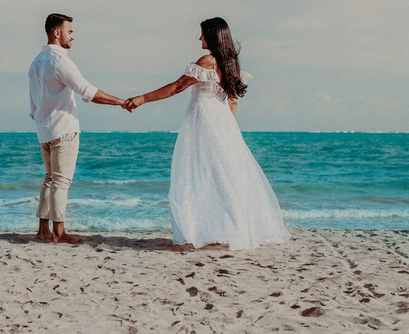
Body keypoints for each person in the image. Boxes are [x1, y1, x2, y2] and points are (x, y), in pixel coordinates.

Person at [124, 17, 290, 249]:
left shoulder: (208, 61)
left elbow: (178, 86)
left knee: (201, 173)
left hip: (204, 123)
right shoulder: (231, 64)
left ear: (212, 36)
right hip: (223, 123)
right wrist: (228, 129)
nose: (200, 37)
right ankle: (234, 229)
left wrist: (143, 98)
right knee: (224, 175)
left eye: (203, 33)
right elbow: (233, 101)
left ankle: (213, 230)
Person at [29, 13, 130, 244]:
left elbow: (33, 102)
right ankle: (59, 233)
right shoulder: (59, 61)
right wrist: (121, 102)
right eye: (70, 31)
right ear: (57, 33)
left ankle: (43, 230)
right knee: (61, 182)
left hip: (44, 130)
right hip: (63, 129)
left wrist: (40, 121)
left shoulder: (36, 62)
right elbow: (88, 91)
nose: (73, 36)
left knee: (50, 179)